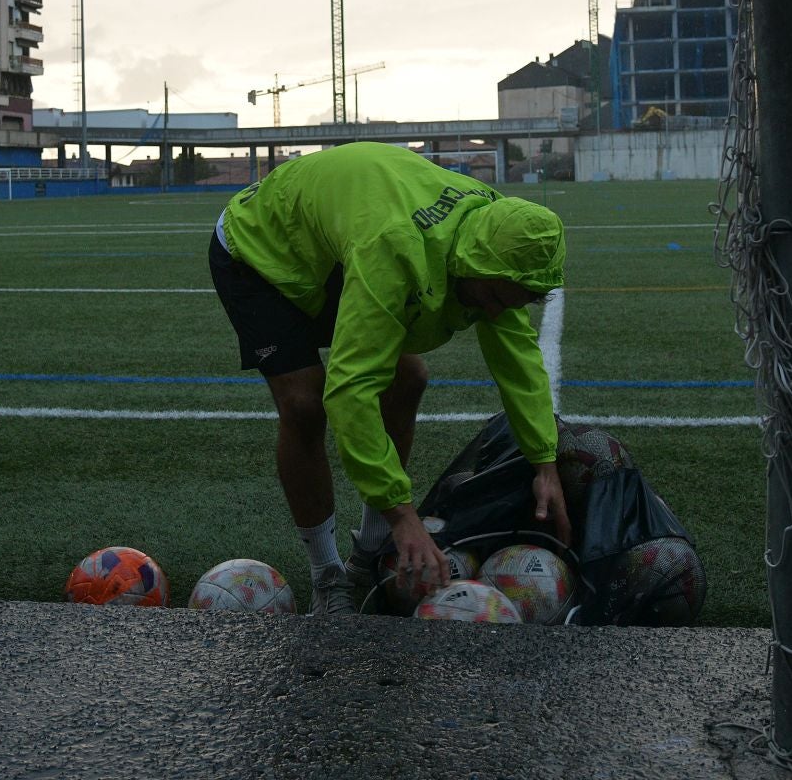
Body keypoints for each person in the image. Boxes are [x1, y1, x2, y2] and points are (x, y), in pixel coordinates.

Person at [207, 141, 571, 616]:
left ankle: (370, 550)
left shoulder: (494, 242)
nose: (499, 310)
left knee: (408, 378)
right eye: (498, 297)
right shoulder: (395, 249)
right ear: (474, 265)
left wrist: (544, 463)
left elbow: (518, 357)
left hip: (333, 247)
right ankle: (328, 574)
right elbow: (351, 391)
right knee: (305, 404)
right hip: (260, 249)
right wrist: (403, 513)